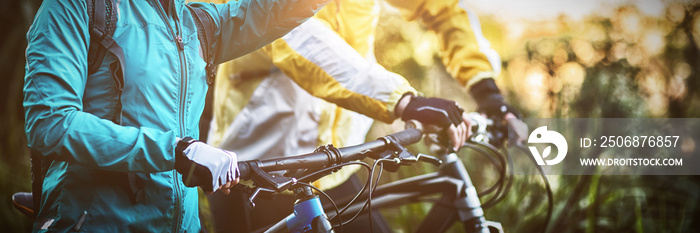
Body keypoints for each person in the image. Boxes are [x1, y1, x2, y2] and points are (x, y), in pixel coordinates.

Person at [203, 0, 519, 231]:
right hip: (258, 175)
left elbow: (441, 7)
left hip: (337, 167)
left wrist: (485, 89)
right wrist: (403, 101)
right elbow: (296, 38)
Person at [23, 0, 334, 231]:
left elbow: (278, 8)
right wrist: (176, 152)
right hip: (96, 222)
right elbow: (52, 125)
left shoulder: (197, 23)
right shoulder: (75, 8)